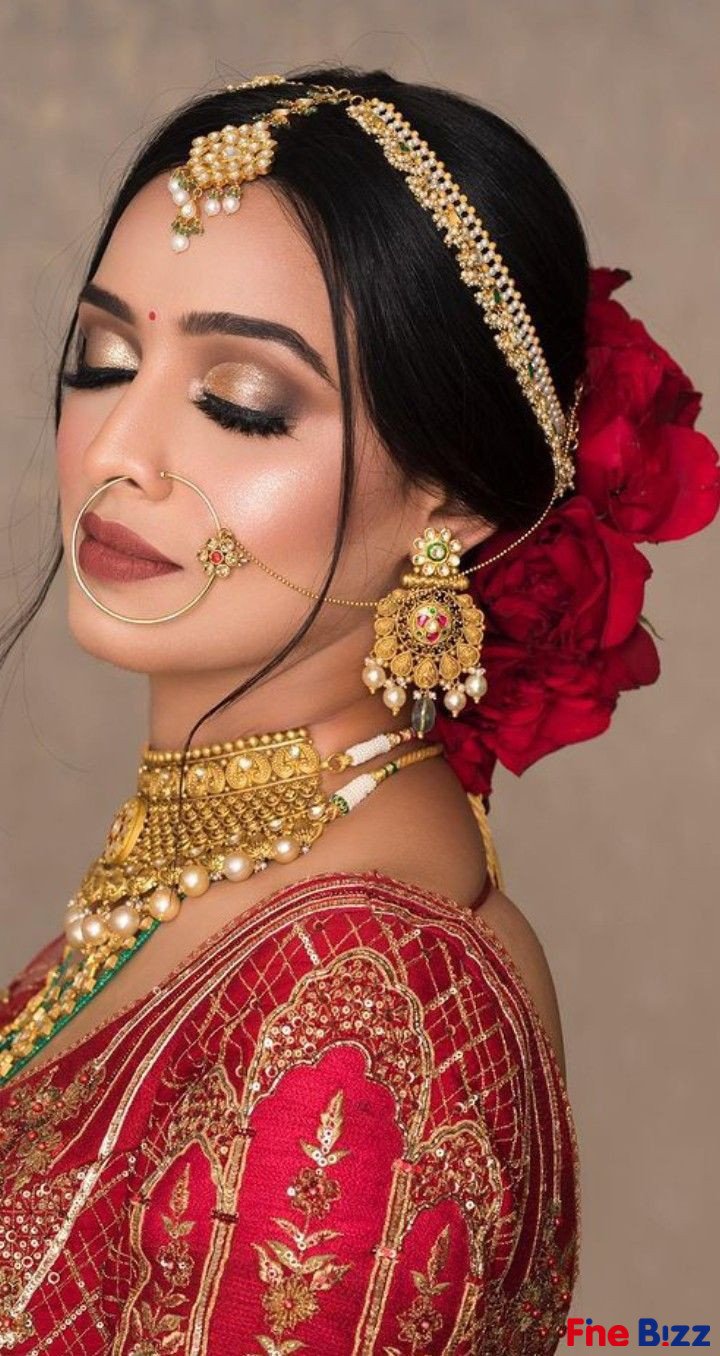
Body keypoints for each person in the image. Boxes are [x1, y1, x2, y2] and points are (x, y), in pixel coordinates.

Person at [0, 66, 716, 1355]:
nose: (114, 452)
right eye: (102, 361)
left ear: (454, 500)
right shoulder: (213, 882)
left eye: (242, 402)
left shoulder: (360, 1005)